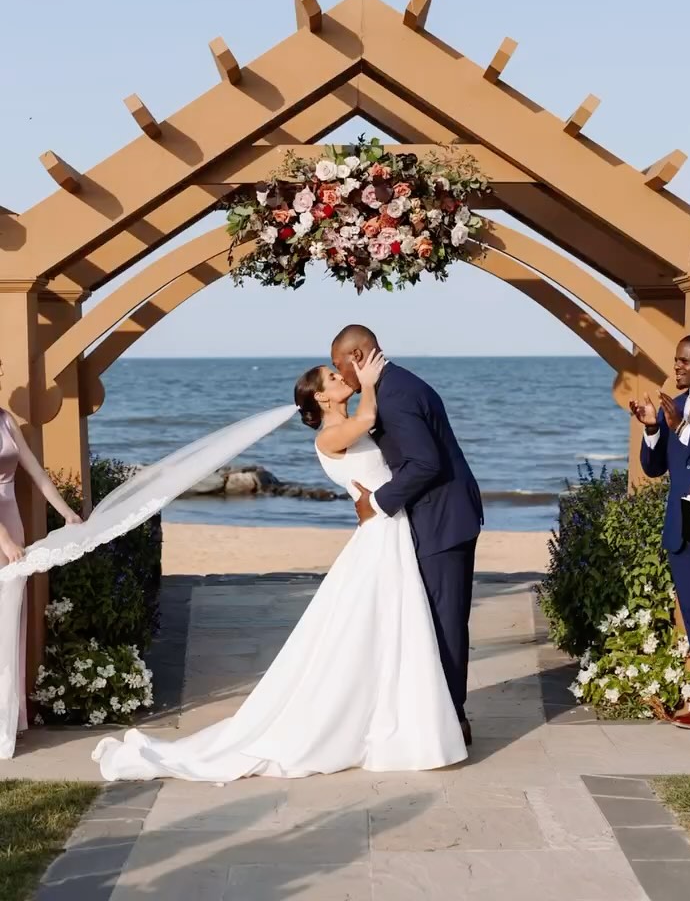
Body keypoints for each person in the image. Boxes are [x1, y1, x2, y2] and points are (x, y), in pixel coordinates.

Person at [91, 351, 467, 781]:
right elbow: (367, 420)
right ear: (323, 398)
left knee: (392, 626)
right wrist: (369, 380)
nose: (340, 375)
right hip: (381, 533)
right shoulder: (330, 435)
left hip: (388, 528)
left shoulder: (344, 423)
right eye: (332, 376)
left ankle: (399, 718)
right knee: (378, 625)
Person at [332, 325, 483, 745]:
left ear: (359, 355)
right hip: (435, 516)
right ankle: (436, 711)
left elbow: (424, 463)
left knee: (446, 620)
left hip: (443, 519)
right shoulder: (392, 386)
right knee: (432, 619)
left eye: (339, 363)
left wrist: (376, 503)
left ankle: (454, 720)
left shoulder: (396, 395)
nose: (338, 372)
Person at [630, 333, 690, 728]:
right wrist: (652, 430)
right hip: (683, 533)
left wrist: (680, 426)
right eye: (676, 359)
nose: (677, 365)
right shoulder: (676, 406)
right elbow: (654, 468)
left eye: (685, 360)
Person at [0, 375, 82, 739]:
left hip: (11, 523)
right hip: (2, 535)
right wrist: (2, 540)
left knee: (9, 620)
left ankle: (8, 718)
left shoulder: (5, 419)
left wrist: (67, 513)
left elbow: (37, 473)